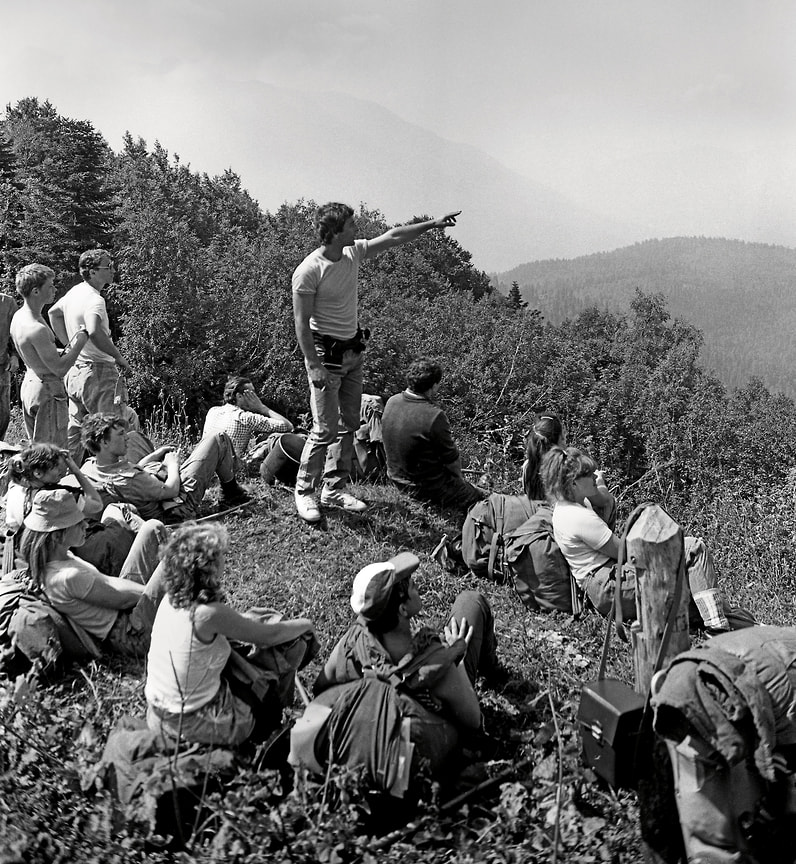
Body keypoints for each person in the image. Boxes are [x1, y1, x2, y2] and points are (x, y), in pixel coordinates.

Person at [292, 203, 461, 523]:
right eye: (352, 225)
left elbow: (393, 237)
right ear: (335, 231)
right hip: (325, 360)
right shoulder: (309, 270)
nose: (358, 229)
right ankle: (304, 491)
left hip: (353, 354)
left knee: (349, 425)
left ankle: (333, 488)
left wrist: (432, 224)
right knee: (324, 429)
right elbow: (301, 324)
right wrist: (313, 366)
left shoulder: (353, 253)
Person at [313, 553, 500, 778]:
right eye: (411, 585)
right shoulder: (434, 663)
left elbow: (320, 688)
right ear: (402, 610)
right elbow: (474, 722)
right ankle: (495, 673)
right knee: (471, 601)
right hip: (420, 763)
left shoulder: (352, 644)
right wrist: (454, 656)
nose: (416, 585)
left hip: (364, 749)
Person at [145, 523, 317, 747]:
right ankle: (274, 722)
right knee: (293, 642)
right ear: (208, 567)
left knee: (254, 626)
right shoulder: (207, 613)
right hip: (190, 720)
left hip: (159, 708)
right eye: (221, 557)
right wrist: (306, 623)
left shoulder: (172, 598)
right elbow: (270, 636)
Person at [540, 446, 733, 630]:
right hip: (610, 585)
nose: (594, 476)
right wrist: (661, 544)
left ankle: (719, 622)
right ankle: (717, 628)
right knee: (692, 548)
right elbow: (625, 553)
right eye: (588, 474)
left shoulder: (568, 505)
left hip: (603, 586)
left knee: (695, 598)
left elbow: (604, 500)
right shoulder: (578, 516)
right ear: (573, 483)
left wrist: (599, 484)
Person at [18, 488, 165, 657]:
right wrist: (156, 587)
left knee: (152, 527)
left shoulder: (62, 555)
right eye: (78, 523)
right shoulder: (67, 576)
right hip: (132, 633)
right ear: (57, 536)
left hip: (124, 607)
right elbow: (124, 600)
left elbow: (110, 584)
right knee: (175, 558)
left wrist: (154, 586)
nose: (86, 525)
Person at [4, 442, 165, 579]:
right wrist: (76, 470)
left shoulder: (16, 491)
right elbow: (96, 504)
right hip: (80, 550)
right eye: (56, 468)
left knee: (120, 510)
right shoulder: (57, 497)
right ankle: (163, 545)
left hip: (40, 555)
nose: (62, 471)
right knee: (120, 509)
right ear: (38, 473)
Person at [80, 413, 250, 523]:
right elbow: (171, 490)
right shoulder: (129, 480)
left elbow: (133, 471)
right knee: (217, 439)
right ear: (104, 442)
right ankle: (231, 493)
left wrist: (155, 455)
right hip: (174, 509)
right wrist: (173, 464)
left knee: (136, 437)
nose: (126, 438)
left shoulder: (90, 467)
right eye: (120, 434)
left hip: (153, 494)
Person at [47, 249, 130, 461]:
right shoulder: (95, 300)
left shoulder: (75, 292)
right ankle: (114, 487)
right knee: (112, 434)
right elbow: (94, 331)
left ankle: (67, 481)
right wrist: (119, 358)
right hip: (99, 374)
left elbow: (53, 313)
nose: (113, 270)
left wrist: (71, 347)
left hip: (76, 374)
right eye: (107, 267)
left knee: (74, 437)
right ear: (92, 272)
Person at [381, 357, 487, 513]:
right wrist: (460, 484)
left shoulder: (392, 401)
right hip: (426, 489)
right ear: (433, 385)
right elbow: (451, 460)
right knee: (488, 498)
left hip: (396, 479)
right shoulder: (434, 416)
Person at [10, 264, 89, 448]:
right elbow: (60, 369)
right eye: (50, 286)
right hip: (47, 391)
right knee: (51, 456)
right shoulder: (35, 327)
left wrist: (65, 351)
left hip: (31, 383)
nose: (54, 289)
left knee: (37, 451)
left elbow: (39, 354)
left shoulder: (20, 317)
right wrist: (80, 342)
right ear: (36, 291)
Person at [202, 376, 293, 475]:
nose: (256, 397)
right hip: (231, 470)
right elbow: (288, 426)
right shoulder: (245, 418)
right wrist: (262, 408)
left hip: (207, 465)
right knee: (273, 439)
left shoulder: (213, 411)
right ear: (239, 396)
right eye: (252, 393)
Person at [0, 287, 18, 440]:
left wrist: (14, 355)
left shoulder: (7, 302)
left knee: (3, 414)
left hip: (2, 367)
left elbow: (15, 333)